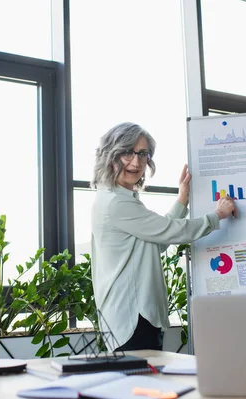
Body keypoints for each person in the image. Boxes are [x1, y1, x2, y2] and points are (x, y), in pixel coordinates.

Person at [90, 122, 237, 352]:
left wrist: (182, 201)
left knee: (143, 385)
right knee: (140, 386)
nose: (136, 162)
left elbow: (155, 243)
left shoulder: (119, 198)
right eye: (128, 152)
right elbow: (171, 231)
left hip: (134, 318)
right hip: (133, 320)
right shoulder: (115, 203)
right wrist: (218, 215)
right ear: (112, 155)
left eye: (143, 153)